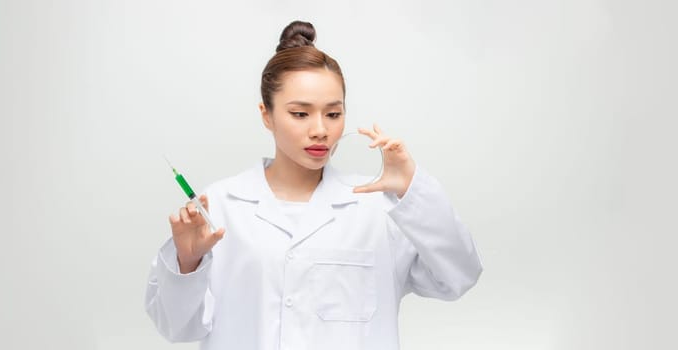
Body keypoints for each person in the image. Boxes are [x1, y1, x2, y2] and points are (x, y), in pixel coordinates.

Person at [145, 20, 483, 350]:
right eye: (300, 114)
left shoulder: (378, 208)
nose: (320, 130)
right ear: (267, 115)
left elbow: (457, 278)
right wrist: (187, 263)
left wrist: (411, 189)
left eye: (333, 114)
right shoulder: (220, 206)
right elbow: (176, 326)